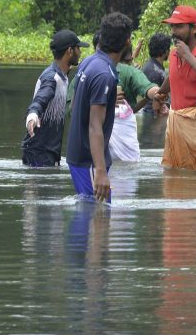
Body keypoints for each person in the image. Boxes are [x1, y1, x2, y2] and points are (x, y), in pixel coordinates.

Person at [66, 12, 132, 202]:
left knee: (94, 218)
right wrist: (101, 171)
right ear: (127, 41)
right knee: (97, 215)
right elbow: (95, 125)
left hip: (83, 155)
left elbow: (80, 108)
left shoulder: (90, 61)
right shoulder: (104, 74)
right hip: (89, 159)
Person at [155, 5, 196, 171]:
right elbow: (174, 76)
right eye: (172, 26)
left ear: (194, 28)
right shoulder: (173, 54)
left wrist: (188, 55)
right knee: (172, 178)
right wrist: (160, 93)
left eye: (179, 26)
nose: (173, 31)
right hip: (175, 125)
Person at [22, 30, 88, 167]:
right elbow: (41, 98)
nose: (80, 52)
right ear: (70, 51)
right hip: (38, 154)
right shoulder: (52, 78)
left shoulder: (63, 77)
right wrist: (33, 114)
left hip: (49, 153)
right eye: (78, 48)